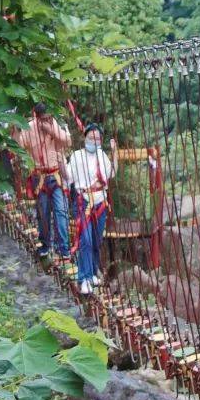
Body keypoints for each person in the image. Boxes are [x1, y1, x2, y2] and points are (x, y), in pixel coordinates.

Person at [67, 123, 118, 295]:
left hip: (101, 202)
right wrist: (60, 163)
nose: (94, 141)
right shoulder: (76, 156)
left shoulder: (102, 156)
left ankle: (94, 269)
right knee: (86, 240)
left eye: (97, 139)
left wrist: (115, 153)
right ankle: (85, 278)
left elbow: (111, 174)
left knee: (96, 240)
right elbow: (68, 177)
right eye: (91, 138)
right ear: (85, 137)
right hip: (84, 202)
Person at [16, 104, 72, 261]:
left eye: (49, 117)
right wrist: (15, 128)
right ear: (37, 117)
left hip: (55, 175)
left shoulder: (55, 124)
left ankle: (64, 249)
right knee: (43, 214)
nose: (47, 120)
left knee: (61, 212)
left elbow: (68, 141)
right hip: (39, 177)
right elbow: (18, 147)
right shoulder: (29, 127)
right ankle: (46, 245)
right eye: (44, 119)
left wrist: (52, 131)